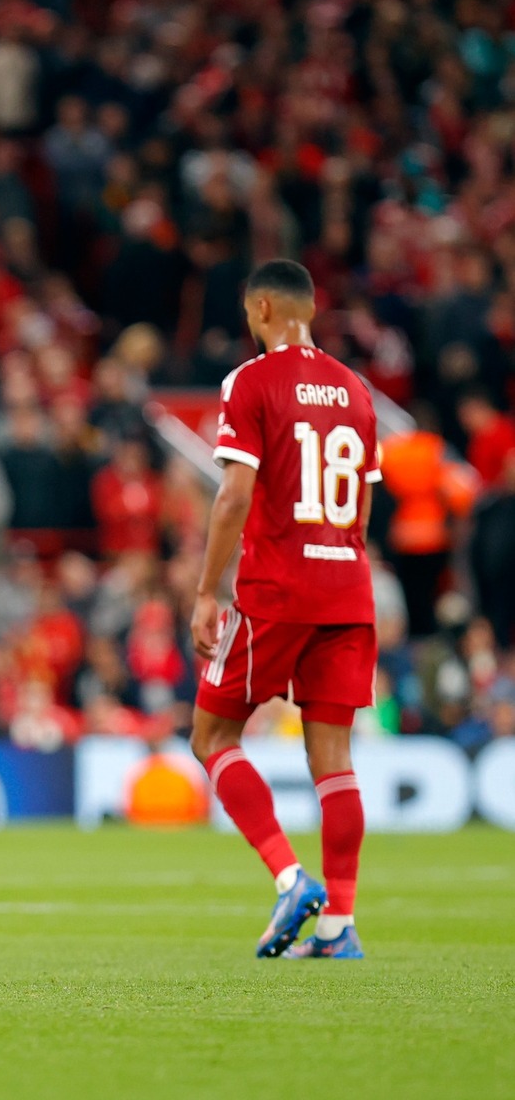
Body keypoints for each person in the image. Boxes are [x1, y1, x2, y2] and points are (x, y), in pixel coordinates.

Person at [189, 259, 379, 960]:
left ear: (262, 307)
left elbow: (234, 496)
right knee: (334, 757)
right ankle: (341, 927)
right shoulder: (358, 392)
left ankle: (291, 877)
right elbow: (362, 502)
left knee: (211, 737)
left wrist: (208, 591)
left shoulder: (251, 381)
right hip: (348, 587)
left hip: (279, 588)